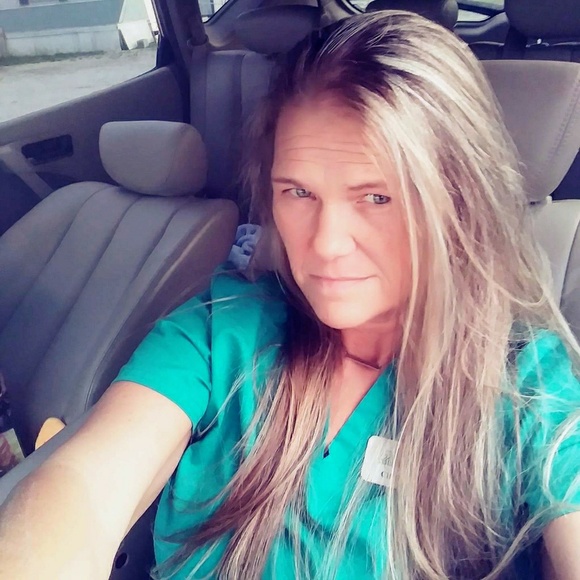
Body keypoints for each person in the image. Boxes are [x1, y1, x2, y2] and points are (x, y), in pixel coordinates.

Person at [0, 11, 579, 580]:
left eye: (377, 198)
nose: (324, 244)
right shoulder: (223, 327)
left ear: (457, 202)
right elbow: (82, 487)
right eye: (299, 192)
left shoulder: (526, 381)